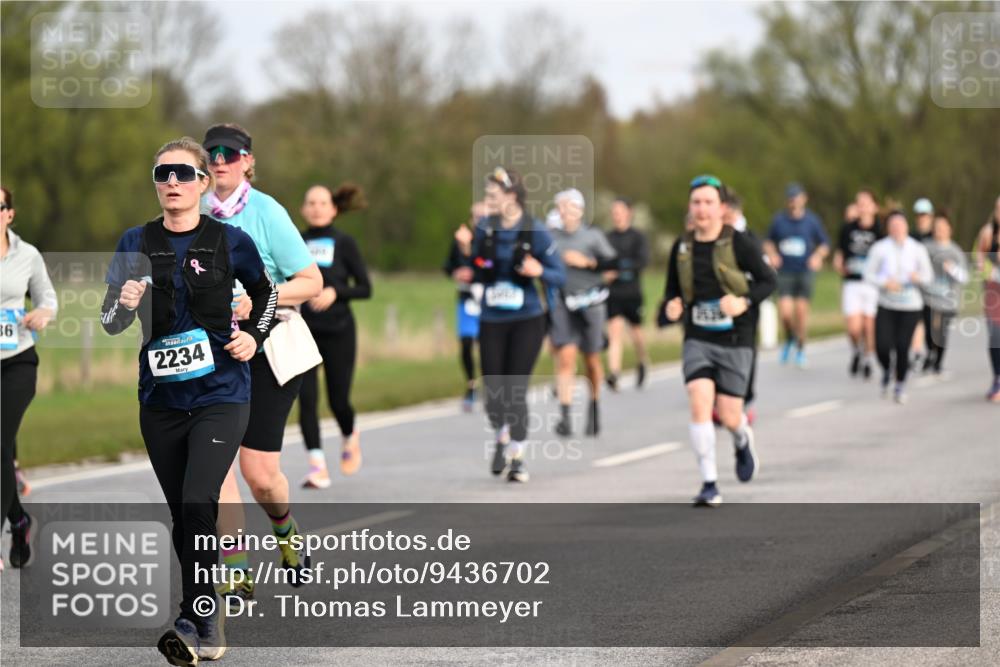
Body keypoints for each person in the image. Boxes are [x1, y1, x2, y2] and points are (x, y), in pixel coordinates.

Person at [100, 138, 278, 664]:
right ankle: (208, 615)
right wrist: (124, 302)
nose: (171, 183)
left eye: (182, 173)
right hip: (160, 400)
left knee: (201, 498)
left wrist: (255, 338)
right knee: (184, 512)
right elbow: (110, 323)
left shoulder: (230, 240)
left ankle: (190, 614)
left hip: (222, 394)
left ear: (203, 182)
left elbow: (265, 295)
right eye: (162, 174)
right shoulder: (134, 241)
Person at [202, 124, 323, 609]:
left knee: (260, 474)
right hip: (213, 353)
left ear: (248, 161)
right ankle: (235, 569)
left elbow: (311, 281)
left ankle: (284, 526)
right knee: (214, 465)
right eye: (212, 152)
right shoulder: (192, 209)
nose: (219, 160)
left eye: (230, 153)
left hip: (271, 347)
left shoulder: (267, 211)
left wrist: (260, 299)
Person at [661, 175, 776, 507]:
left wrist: (744, 301)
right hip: (697, 337)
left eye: (708, 202)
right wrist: (671, 305)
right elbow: (672, 289)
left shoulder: (740, 243)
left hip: (736, 338)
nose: (702, 209)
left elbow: (769, 281)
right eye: (696, 202)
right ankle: (709, 482)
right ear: (690, 207)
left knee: (728, 416)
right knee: (698, 398)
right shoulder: (681, 247)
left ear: (721, 208)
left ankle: (741, 439)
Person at [454, 167, 565, 483]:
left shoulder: (537, 232)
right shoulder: (485, 228)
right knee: (493, 393)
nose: (487, 201)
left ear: (512, 197)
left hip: (527, 319)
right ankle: (502, 435)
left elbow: (560, 275)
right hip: (491, 319)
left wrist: (539, 270)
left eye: (492, 196)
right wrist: (466, 255)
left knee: (515, 391)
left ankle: (517, 456)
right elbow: (478, 266)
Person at [297, 183, 371, 489]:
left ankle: (349, 433)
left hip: (340, 331)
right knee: (307, 401)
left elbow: (366, 288)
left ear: (333, 208)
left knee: (338, 400)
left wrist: (335, 291)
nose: (316, 207)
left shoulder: (345, 243)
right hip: (303, 331)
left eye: (322, 202)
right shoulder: (295, 242)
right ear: (303, 209)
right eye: (310, 202)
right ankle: (317, 466)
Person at [1, 185, 57, 569]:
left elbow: (48, 299)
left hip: (17, 360)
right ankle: (19, 521)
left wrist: (42, 314)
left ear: (9, 214)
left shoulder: (27, 255)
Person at [549, 189, 617, 437]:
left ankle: (594, 405)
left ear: (579, 210)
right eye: (561, 207)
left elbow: (614, 265)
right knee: (566, 358)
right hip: (562, 303)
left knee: (591, 360)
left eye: (570, 207)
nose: (565, 212)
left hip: (590, 303)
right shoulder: (549, 237)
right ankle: (565, 416)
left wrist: (587, 263)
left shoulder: (593, 237)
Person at [863, 210, 934, 404]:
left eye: (900, 225)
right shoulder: (880, 248)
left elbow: (929, 277)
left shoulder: (917, 248)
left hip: (911, 306)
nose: (897, 229)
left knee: (903, 346)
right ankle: (887, 369)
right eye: (893, 226)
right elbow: (868, 274)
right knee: (882, 347)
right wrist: (884, 283)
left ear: (906, 227)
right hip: (887, 304)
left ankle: (900, 384)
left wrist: (917, 278)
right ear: (888, 228)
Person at [764, 182, 830, 368]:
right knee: (785, 313)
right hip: (785, 271)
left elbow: (825, 244)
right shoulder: (779, 220)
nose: (794, 202)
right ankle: (789, 338)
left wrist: (817, 256)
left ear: (804, 199)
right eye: (791, 199)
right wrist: (772, 254)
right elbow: (768, 241)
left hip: (804, 271)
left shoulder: (811, 221)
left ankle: (800, 348)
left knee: (800, 313)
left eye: (797, 198)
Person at [833, 188, 884, 379]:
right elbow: (840, 254)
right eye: (859, 203)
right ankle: (857, 350)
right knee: (854, 328)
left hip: (872, 284)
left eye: (865, 203)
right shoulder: (847, 228)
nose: (862, 207)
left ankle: (868, 358)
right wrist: (839, 264)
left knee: (869, 325)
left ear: (874, 207)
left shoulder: (880, 230)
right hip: (852, 282)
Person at [604, 197, 651, 391]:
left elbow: (642, 261)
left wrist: (620, 270)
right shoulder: (607, 238)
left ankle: (642, 360)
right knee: (614, 332)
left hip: (632, 292)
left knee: (636, 333)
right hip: (613, 293)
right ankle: (614, 372)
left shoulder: (638, 237)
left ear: (628, 212)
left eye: (620, 211)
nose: (617, 216)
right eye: (614, 212)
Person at [444, 202, 486, 412]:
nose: (479, 220)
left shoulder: (493, 240)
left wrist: (471, 258)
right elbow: (447, 266)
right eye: (476, 216)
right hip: (467, 298)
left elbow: (487, 265)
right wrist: (456, 273)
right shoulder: (460, 239)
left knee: (488, 344)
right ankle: (471, 384)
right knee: (467, 342)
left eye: (484, 216)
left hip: (488, 299)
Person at [921, 212, 968, 374]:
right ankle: (929, 352)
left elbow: (964, 277)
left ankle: (938, 362)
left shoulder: (955, 251)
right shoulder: (925, 247)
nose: (939, 230)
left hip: (948, 299)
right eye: (937, 227)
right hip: (928, 297)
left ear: (950, 229)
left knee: (941, 332)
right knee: (928, 330)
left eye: (943, 227)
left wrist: (952, 268)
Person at [974, 195, 1000, 402]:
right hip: (993, 292)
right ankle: (997, 378)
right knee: (994, 336)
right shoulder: (987, 233)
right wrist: (989, 271)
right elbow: (978, 259)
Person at [909, 198, 936, 368]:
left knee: (930, 321)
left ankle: (932, 351)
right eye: (919, 215)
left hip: (933, 286)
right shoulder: (912, 236)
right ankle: (917, 352)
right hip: (915, 285)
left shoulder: (936, 235)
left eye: (924, 214)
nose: (921, 218)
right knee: (916, 319)